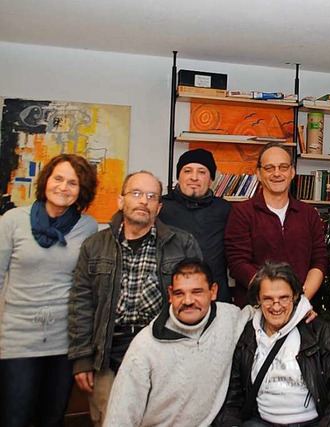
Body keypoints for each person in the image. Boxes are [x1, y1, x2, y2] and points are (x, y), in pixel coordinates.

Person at [68, 170, 202, 426]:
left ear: (159, 207)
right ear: (121, 200)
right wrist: (82, 359)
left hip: (163, 352)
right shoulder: (94, 246)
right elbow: (81, 304)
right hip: (108, 353)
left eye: (151, 196)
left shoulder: (182, 244)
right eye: (137, 193)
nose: (143, 201)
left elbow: (197, 303)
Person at [0, 154, 98, 426]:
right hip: (17, 340)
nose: (63, 188)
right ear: (45, 181)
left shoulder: (87, 227)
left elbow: (86, 285)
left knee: (52, 419)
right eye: (58, 179)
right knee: (14, 418)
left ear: (82, 190)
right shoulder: (12, 220)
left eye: (73, 183)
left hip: (64, 342)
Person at [104, 258, 253, 426]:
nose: (188, 301)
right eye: (179, 293)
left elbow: (265, 311)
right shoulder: (146, 346)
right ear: (170, 294)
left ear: (213, 292)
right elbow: (120, 416)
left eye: (197, 292)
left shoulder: (229, 318)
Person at [215, 261, 330, 427]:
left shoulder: (320, 334)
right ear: (258, 300)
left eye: (283, 298)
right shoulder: (248, 335)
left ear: (295, 296)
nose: (276, 306)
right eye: (268, 299)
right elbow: (232, 396)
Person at [225, 142, 328, 307]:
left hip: (301, 308)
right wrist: (274, 299)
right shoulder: (242, 213)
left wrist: (299, 302)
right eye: (269, 168)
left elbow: (319, 261)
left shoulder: (309, 214)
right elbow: (238, 263)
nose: (277, 173)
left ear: (292, 172)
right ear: (258, 173)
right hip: (256, 308)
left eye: (283, 167)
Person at [159, 148, 233, 302]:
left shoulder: (225, 209)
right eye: (187, 171)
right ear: (178, 176)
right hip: (171, 297)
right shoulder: (160, 207)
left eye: (201, 172)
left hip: (216, 297)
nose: (194, 177)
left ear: (211, 179)